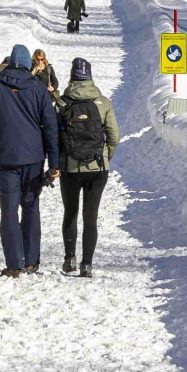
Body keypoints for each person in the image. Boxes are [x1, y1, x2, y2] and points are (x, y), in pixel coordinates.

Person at [0, 43, 60, 274]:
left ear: (11, 62)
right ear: (28, 64)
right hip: (33, 157)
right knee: (31, 206)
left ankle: (13, 264)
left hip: (5, 158)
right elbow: (50, 127)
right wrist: (54, 163)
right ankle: (31, 260)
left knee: (9, 210)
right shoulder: (38, 88)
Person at [56, 56, 121, 276]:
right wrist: (105, 157)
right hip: (98, 168)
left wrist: (58, 161)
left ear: (72, 76)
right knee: (90, 217)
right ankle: (87, 264)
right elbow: (114, 136)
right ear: (90, 76)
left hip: (70, 167)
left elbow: (55, 135)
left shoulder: (63, 102)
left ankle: (69, 259)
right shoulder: (102, 102)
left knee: (71, 213)